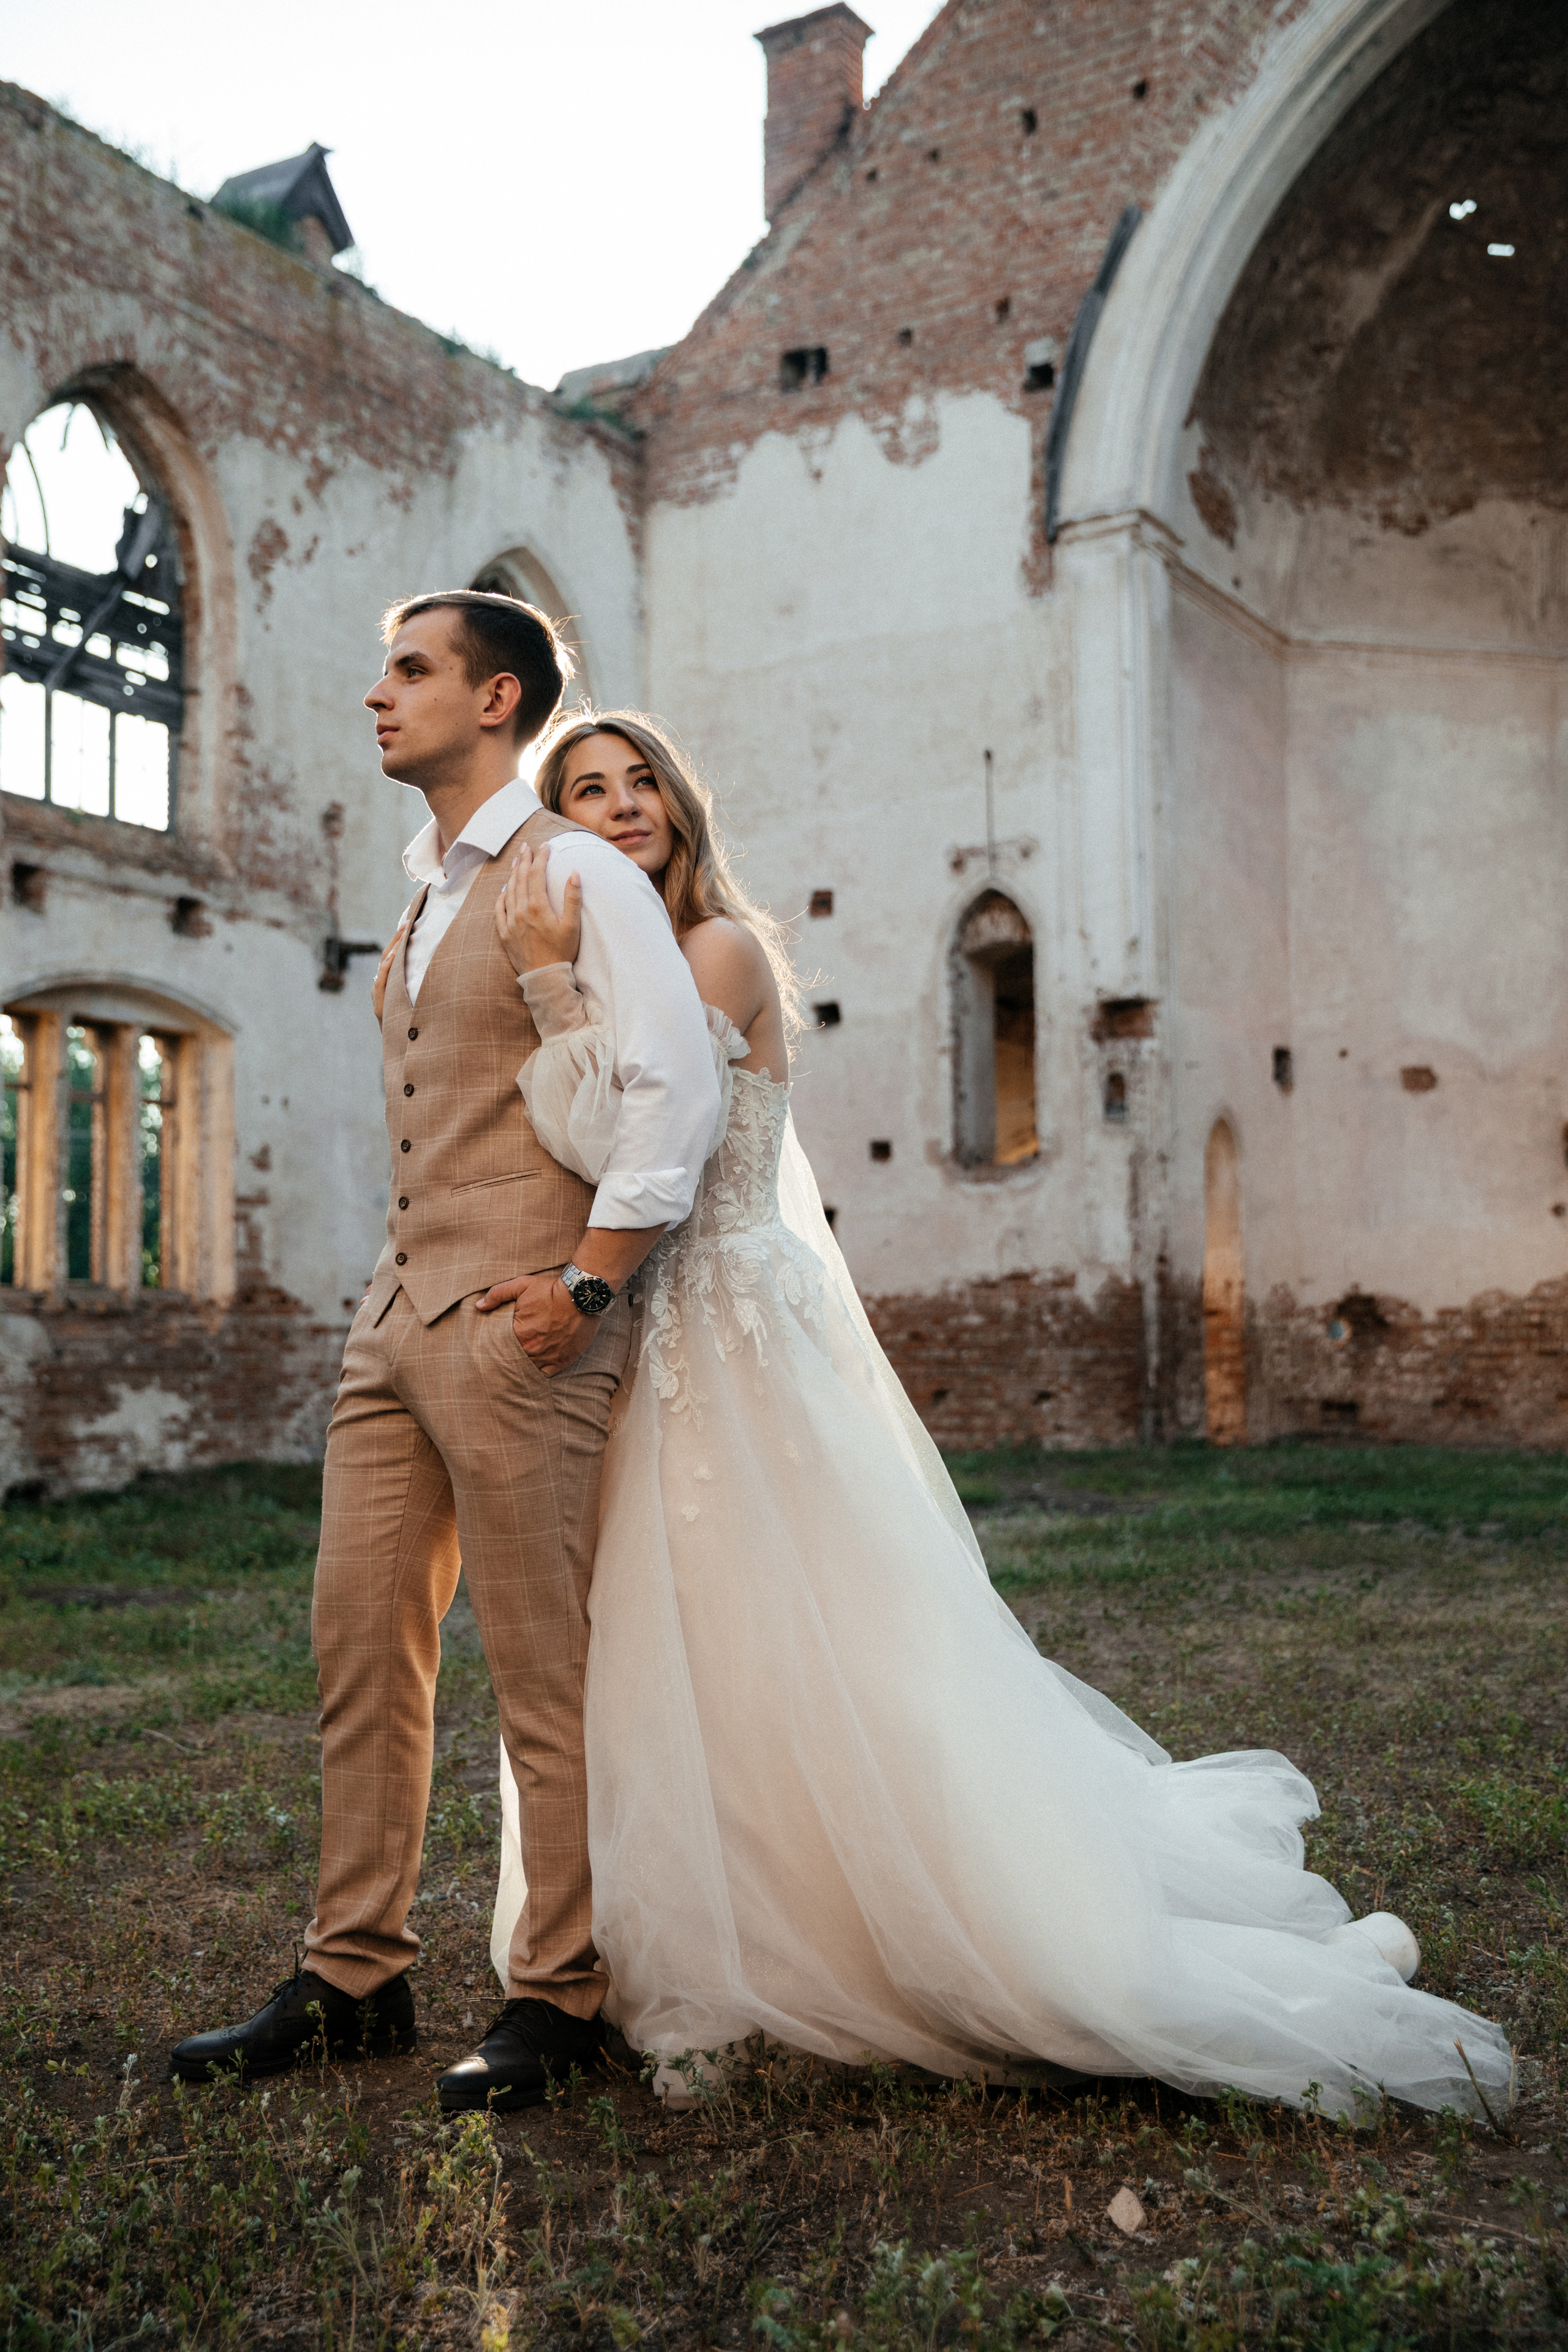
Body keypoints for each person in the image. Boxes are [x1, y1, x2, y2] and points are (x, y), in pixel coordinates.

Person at [488, 707, 1514, 2124]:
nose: (619, 807)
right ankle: (683, 1929)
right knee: (666, 1643)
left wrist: (547, 995)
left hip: (723, 1325)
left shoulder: (710, 952)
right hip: (654, 1329)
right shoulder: (628, 974)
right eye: (585, 792)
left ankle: (845, 1930)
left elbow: (624, 1147)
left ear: (679, 804)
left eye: (638, 780)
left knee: (787, 1630)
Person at [170, 599, 719, 2111]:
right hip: (395, 1324)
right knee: (360, 1648)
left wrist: (589, 1287)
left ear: (497, 699)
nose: (376, 694)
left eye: (406, 670)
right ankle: (356, 1974)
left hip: (527, 1321)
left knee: (546, 1678)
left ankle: (564, 1990)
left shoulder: (579, 867)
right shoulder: (419, 897)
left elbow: (672, 1093)